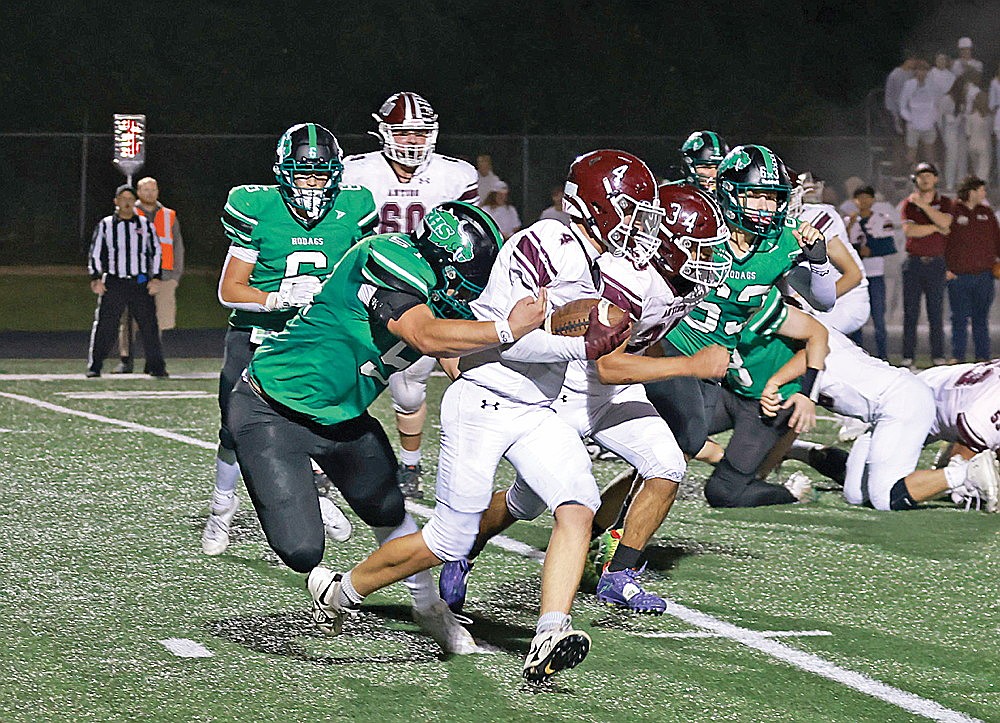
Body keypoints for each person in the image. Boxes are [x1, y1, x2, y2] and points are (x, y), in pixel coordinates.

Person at [309, 150, 654, 683]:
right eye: (632, 209)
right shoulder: (544, 244)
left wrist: (590, 326)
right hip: (484, 403)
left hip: (534, 409)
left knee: (579, 504)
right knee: (447, 540)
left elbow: (565, 323)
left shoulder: (586, 258)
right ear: (597, 206)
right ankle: (342, 591)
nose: (639, 223)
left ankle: (550, 632)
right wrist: (580, 343)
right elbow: (511, 338)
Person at [230, 202, 546, 654]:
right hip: (270, 412)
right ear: (448, 257)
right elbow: (425, 336)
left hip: (342, 420)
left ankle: (428, 607)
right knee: (302, 551)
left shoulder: (431, 290)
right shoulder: (386, 256)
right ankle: (308, 497)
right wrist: (504, 329)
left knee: (388, 509)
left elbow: (458, 362)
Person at [435, 183, 733, 617]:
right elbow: (608, 364)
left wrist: (667, 367)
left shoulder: (683, 282)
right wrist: (691, 366)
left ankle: (619, 575)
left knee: (667, 464)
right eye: (700, 249)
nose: (710, 260)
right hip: (569, 390)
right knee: (528, 501)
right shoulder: (628, 276)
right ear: (669, 245)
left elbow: (644, 342)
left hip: (615, 391)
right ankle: (464, 547)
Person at [202, 122, 377, 557]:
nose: (313, 183)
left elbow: (367, 272)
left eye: (321, 174)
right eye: (303, 173)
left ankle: (315, 499)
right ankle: (221, 507)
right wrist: (277, 297)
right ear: (284, 171)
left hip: (310, 341)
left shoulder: (354, 208)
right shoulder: (257, 207)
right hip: (256, 333)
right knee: (234, 430)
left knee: (314, 424)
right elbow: (230, 290)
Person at [342, 91, 479, 500]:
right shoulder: (357, 172)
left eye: (420, 133)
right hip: (371, 285)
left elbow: (467, 239)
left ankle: (411, 465)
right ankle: (320, 462)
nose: (413, 141)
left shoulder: (455, 176)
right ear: (383, 132)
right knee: (342, 375)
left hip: (426, 291)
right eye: (403, 132)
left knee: (409, 389)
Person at [769, 329, 999, 512]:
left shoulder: (796, 330)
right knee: (883, 497)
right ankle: (964, 475)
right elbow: (970, 443)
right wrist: (958, 477)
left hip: (915, 397)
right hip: (918, 402)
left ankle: (798, 451)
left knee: (859, 493)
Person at [85, 184, 167, 379]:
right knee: (106, 325)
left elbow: (155, 251)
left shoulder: (145, 225)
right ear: (116, 202)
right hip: (115, 282)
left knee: (149, 326)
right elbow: (95, 252)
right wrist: (96, 277)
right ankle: (95, 365)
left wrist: (155, 278)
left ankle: (156, 366)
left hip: (139, 283)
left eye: (130, 199)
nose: (127, 202)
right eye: (123, 199)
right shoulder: (106, 225)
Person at [115, 176, 185, 374]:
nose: (150, 193)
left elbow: (177, 246)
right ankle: (125, 360)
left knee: (158, 321)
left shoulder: (168, 215)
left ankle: (152, 361)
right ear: (138, 192)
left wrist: (175, 276)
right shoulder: (127, 212)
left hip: (163, 277)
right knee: (129, 321)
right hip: (135, 276)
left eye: (153, 189)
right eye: (145, 190)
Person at [790, 172, 869, 336]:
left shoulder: (813, 217)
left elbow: (854, 274)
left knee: (807, 336)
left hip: (845, 301)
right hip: (811, 301)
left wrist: (803, 302)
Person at [900, 162, 952, 367]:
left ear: (936, 178)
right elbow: (910, 232)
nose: (925, 179)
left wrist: (923, 206)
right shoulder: (907, 203)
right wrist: (936, 227)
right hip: (914, 264)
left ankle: (938, 356)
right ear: (915, 179)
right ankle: (907, 357)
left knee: (936, 312)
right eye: (921, 175)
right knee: (911, 313)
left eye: (929, 175)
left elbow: (947, 223)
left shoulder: (946, 202)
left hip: (937, 264)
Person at [945, 176, 1000, 362]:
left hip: (985, 275)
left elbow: (997, 241)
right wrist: (946, 269)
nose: (984, 193)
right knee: (959, 318)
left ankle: (983, 358)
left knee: (981, 318)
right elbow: (943, 242)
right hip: (959, 276)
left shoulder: (987, 213)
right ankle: (957, 357)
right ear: (972, 191)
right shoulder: (951, 211)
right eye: (982, 190)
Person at [845, 185, 897, 359]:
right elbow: (841, 245)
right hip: (855, 277)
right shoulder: (848, 221)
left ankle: (883, 356)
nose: (864, 201)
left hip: (875, 274)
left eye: (867, 197)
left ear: (873, 199)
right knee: (856, 318)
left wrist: (872, 250)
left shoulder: (882, 219)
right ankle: (857, 356)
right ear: (854, 200)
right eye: (860, 198)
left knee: (878, 318)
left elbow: (890, 246)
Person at [899, 59, 941, 167]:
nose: (922, 73)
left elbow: (937, 104)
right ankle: (912, 179)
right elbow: (902, 105)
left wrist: (932, 119)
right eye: (919, 70)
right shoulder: (909, 85)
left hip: (928, 125)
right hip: (913, 125)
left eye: (924, 70)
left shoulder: (932, 85)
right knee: (911, 155)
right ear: (915, 71)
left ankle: (932, 176)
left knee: (930, 154)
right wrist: (911, 118)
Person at [965, 91, 993, 181]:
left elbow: (967, 133)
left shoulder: (971, 116)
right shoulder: (989, 117)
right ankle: (980, 186)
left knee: (976, 167)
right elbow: (991, 132)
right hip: (984, 145)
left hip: (972, 144)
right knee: (984, 168)